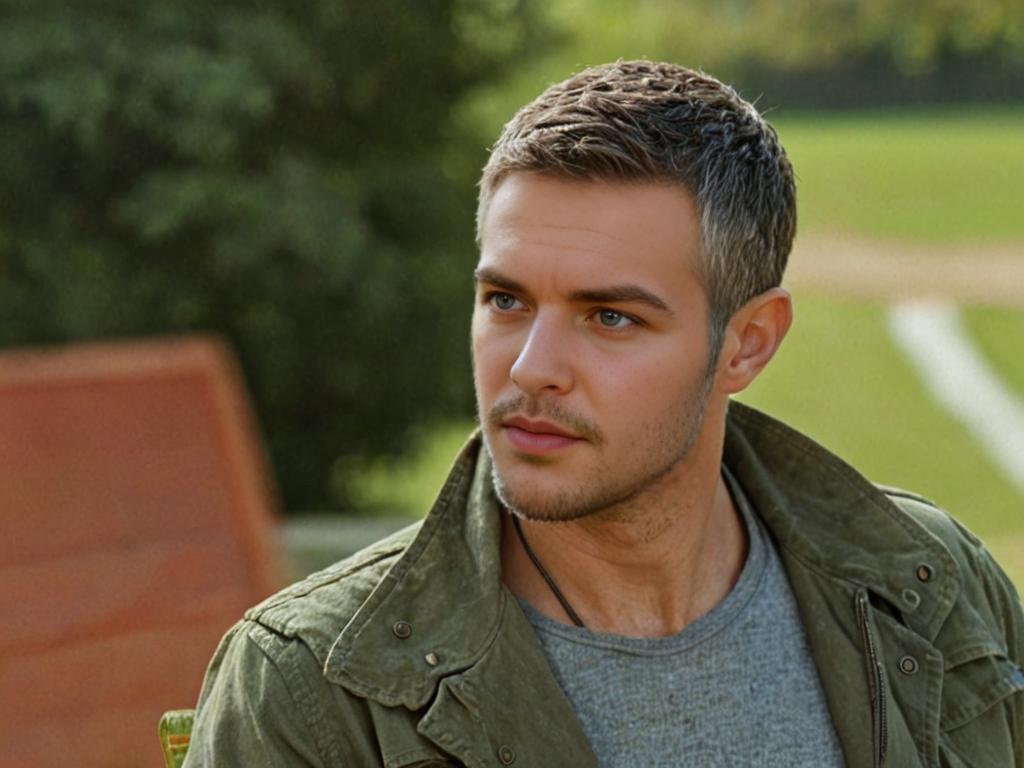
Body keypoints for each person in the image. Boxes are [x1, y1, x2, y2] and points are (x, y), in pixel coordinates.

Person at [183, 60, 1024, 767]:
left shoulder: (934, 584)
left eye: (610, 317)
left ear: (748, 345)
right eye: (506, 300)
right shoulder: (312, 691)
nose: (530, 368)